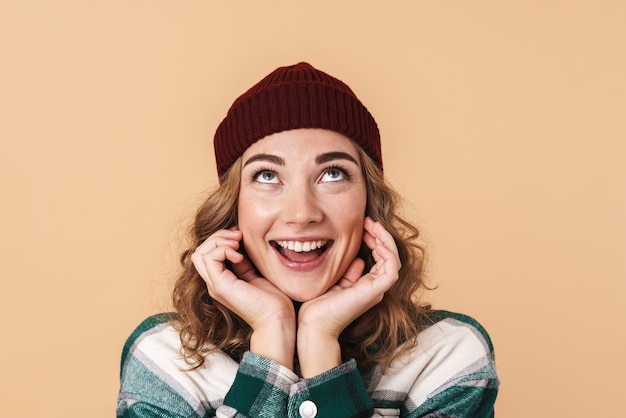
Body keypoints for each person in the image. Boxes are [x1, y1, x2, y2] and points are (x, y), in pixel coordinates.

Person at [117, 62, 499, 417]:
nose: (301, 213)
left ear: (370, 200)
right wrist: (271, 338)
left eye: (332, 174)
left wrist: (320, 347)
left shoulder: (445, 356)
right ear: (233, 206)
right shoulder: (167, 361)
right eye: (267, 176)